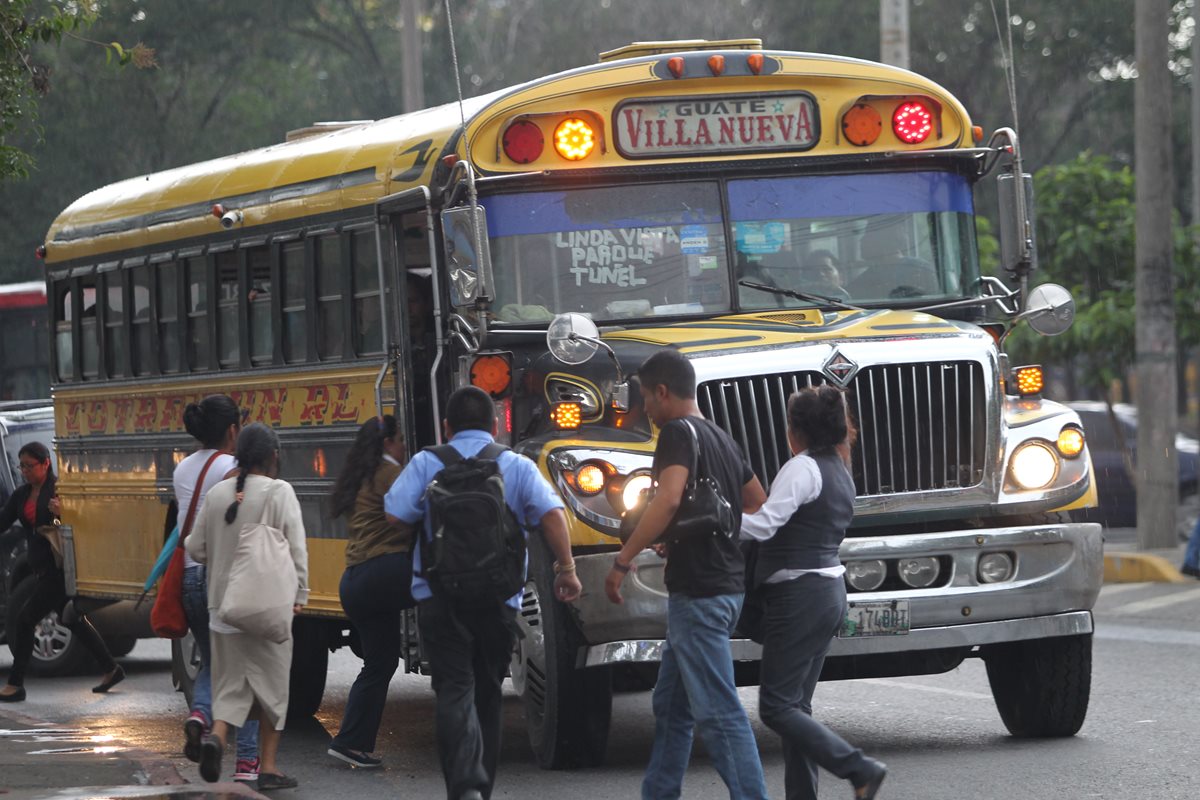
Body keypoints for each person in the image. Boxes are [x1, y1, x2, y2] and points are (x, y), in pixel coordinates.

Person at [384, 386, 581, 800]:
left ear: (446, 427)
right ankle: (482, 789)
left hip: (439, 596)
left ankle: (464, 787)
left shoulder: (427, 462)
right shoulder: (516, 465)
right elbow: (552, 516)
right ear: (495, 427)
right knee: (489, 691)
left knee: (454, 689)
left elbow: (394, 515)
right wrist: (566, 570)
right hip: (498, 600)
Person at [605, 348, 770, 800]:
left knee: (718, 714)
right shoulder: (720, 436)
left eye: (646, 398)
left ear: (662, 391)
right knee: (672, 705)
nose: (647, 410)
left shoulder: (677, 432)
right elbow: (756, 499)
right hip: (724, 583)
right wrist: (687, 533)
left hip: (700, 590)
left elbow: (670, 498)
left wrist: (625, 558)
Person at [741, 385, 886, 800]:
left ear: (794, 430)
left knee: (776, 707)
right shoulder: (840, 468)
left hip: (799, 596)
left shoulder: (802, 468)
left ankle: (858, 767)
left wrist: (716, 522)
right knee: (795, 708)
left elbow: (765, 524)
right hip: (827, 593)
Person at [186, 423, 309, 791]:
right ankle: (266, 768)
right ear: (273, 456)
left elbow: (195, 547)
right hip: (268, 608)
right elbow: (296, 548)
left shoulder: (220, 492)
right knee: (271, 690)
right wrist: (300, 595)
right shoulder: (280, 492)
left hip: (223, 610)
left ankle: (218, 739)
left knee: (230, 688)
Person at [176, 395, 260, 784]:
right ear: (232, 430)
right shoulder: (231, 468)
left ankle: (200, 714)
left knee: (215, 661)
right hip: (220, 575)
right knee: (244, 668)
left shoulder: (183, 469)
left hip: (189, 578)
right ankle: (247, 762)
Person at [0, 442, 124, 703]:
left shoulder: (60, 490)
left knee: (24, 620)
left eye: (29, 466)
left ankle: (15, 683)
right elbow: (4, 520)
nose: (24, 471)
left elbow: (79, 522)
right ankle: (111, 669)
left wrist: (61, 513)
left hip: (58, 568)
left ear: (46, 463)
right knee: (70, 619)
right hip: (41, 568)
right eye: (21, 466)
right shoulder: (22, 495)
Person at [327, 415, 413, 769]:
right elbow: (409, 517)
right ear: (388, 443)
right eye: (400, 439)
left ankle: (351, 743)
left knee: (379, 663)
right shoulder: (390, 473)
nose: (405, 445)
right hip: (384, 573)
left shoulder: (360, 476)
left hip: (355, 582)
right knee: (446, 582)